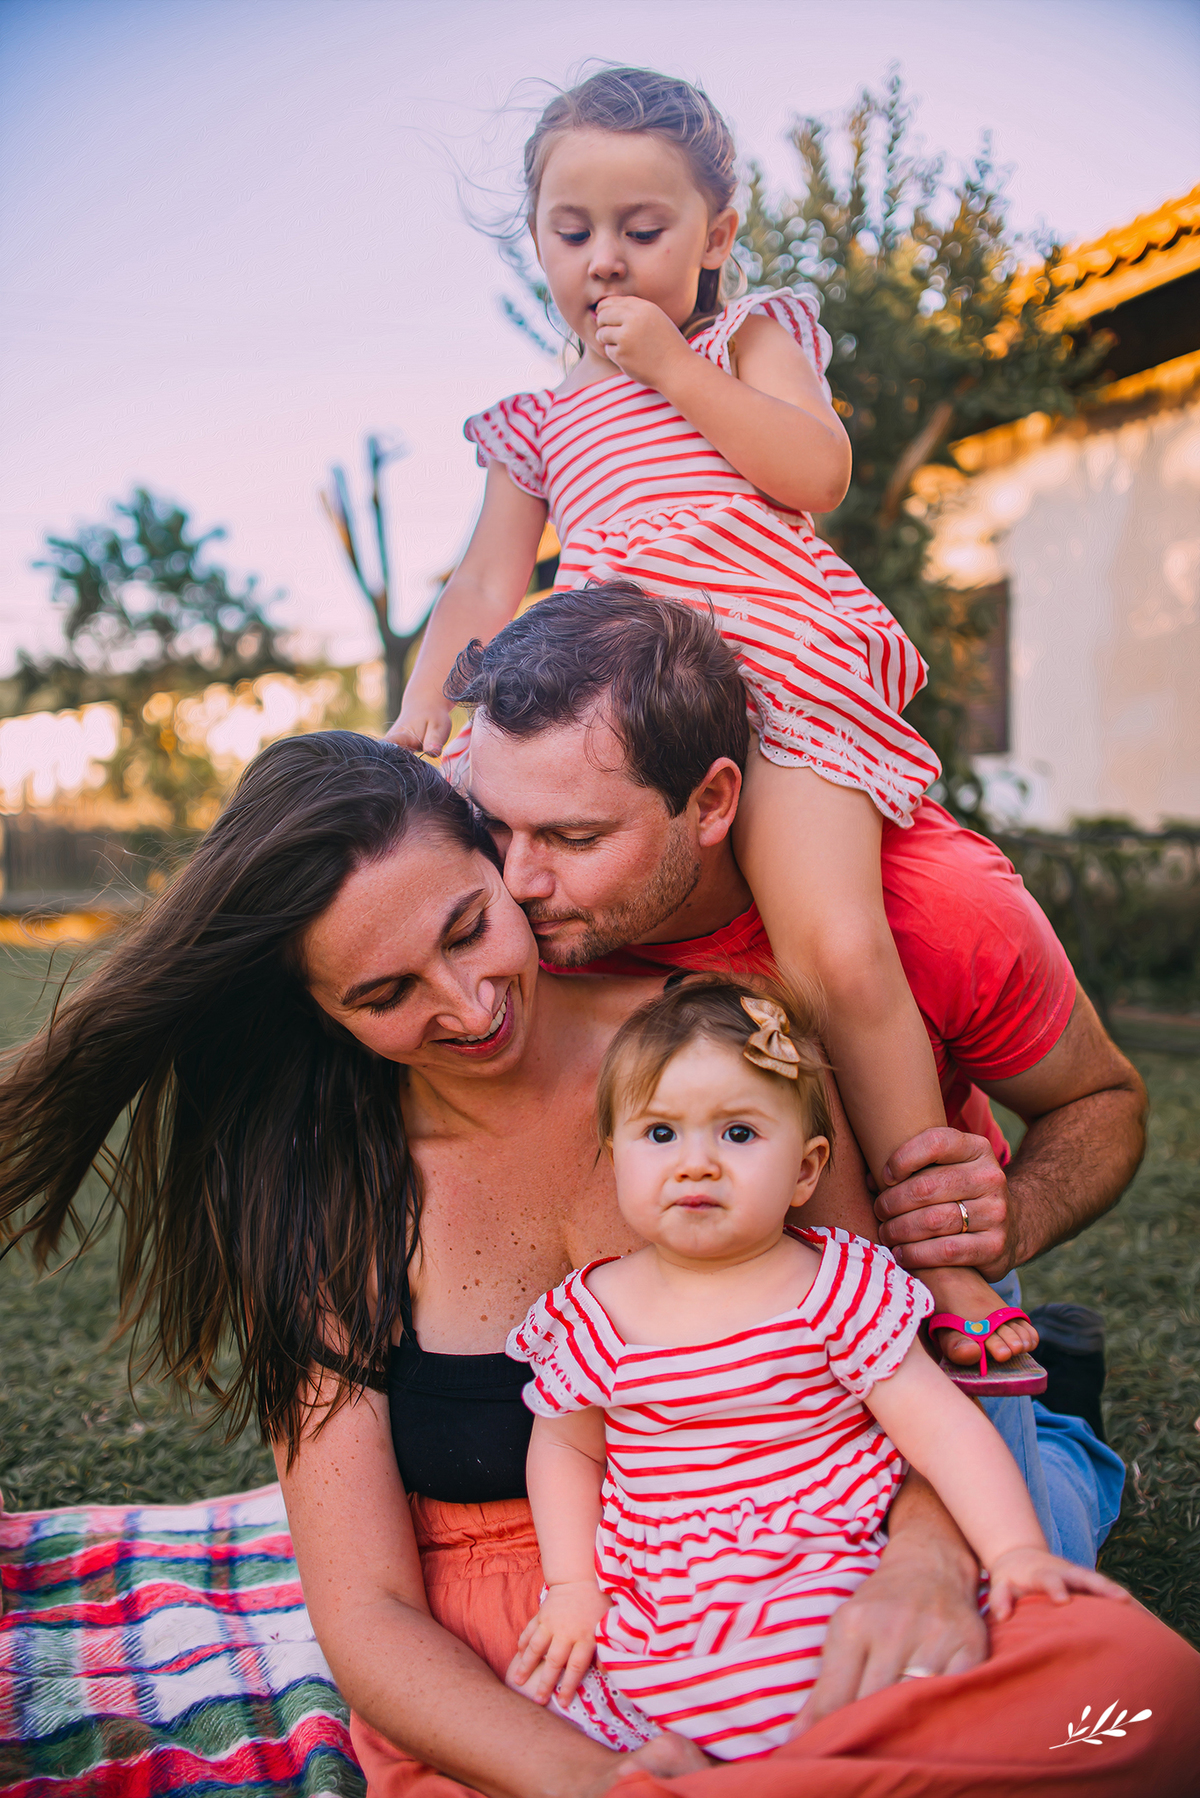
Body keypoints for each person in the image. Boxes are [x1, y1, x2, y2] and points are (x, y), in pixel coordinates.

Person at [2, 734, 1194, 1797]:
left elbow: (891, 1360)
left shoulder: (724, 1048)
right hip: (534, 1664)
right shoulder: (327, 1183)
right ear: (321, 1015)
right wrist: (596, 1779)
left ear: (503, 864)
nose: (468, 1005)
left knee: (1146, 1704)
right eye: (385, 995)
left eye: (469, 927)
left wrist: (930, 1563)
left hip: (819, 1562)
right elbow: (364, 1613)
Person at [387, 67, 1038, 1387]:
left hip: (779, 669)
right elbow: (481, 586)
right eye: (575, 232)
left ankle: (946, 1257)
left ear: (717, 237)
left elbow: (818, 472)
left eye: (646, 227)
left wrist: (676, 364)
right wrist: (414, 711)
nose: (608, 258)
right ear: (538, 240)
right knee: (482, 898)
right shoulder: (540, 418)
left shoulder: (746, 339)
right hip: (619, 702)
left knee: (837, 947)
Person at [448, 583, 1142, 1565]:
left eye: (574, 838)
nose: (518, 881)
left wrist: (1011, 1218)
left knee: (1004, 1575)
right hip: (665, 1280)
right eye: (497, 826)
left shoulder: (937, 909)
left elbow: (1102, 1101)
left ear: (713, 801)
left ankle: (1067, 1433)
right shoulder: (507, 911)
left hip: (914, 1290)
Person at [507, 979, 1128, 1762]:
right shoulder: (591, 1311)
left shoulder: (834, 1289)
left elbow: (939, 1428)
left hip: (824, 1552)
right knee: (579, 1713)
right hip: (667, 1593)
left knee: (866, 1684)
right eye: (660, 1135)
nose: (695, 1165)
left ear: (806, 1172)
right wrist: (572, 1587)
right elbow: (567, 1448)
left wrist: (1013, 1552)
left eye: (737, 1133)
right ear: (613, 1159)